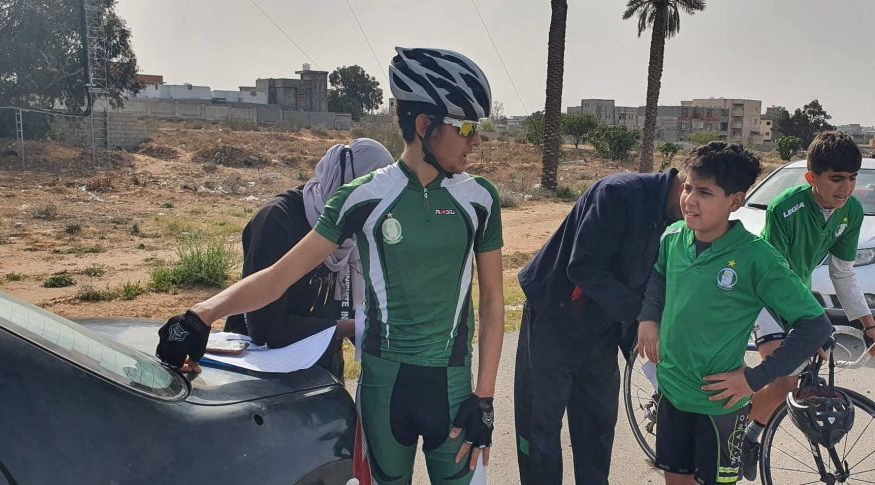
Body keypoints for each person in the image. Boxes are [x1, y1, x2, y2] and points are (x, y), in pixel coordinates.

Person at [155, 47, 505, 485]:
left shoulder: (480, 199)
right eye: (467, 126)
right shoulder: (362, 195)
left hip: (454, 393)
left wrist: (485, 396)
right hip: (383, 392)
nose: (476, 140)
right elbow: (280, 276)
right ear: (423, 125)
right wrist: (200, 315)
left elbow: (493, 299)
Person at [635, 142, 834, 485]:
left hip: (719, 407)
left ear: (735, 201)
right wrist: (648, 318)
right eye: (687, 188)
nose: (689, 200)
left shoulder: (757, 258)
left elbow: (815, 325)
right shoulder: (674, 237)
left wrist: (754, 380)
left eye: (705, 193)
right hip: (671, 393)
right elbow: (659, 275)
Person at [515, 165, 685, 484]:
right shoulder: (618, 193)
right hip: (554, 318)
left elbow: (655, 281)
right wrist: (642, 318)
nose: (697, 207)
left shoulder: (682, 223)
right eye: (696, 193)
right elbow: (583, 267)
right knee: (541, 429)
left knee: (597, 425)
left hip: (603, 325)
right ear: (687, 182)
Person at [738, 131, 875, 480]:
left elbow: (842, 273)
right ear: (811, 178)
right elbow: (776, 277)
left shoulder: (852, 211)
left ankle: (750, 432)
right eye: (836, 179)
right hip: (760, 291)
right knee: (784, 373)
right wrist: (810, 327)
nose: (846, 188)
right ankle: (736, 429)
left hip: (797, 294)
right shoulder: (785, 207)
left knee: (794, 384)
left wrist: (870, 325)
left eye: (852, 178)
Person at [221, 138, 395, 378]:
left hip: (320, 373)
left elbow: (349, 308)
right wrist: (358, 327)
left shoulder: (352, 234)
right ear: (351, 186)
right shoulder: (278, 220)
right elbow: (266, 326)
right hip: (262, 375)